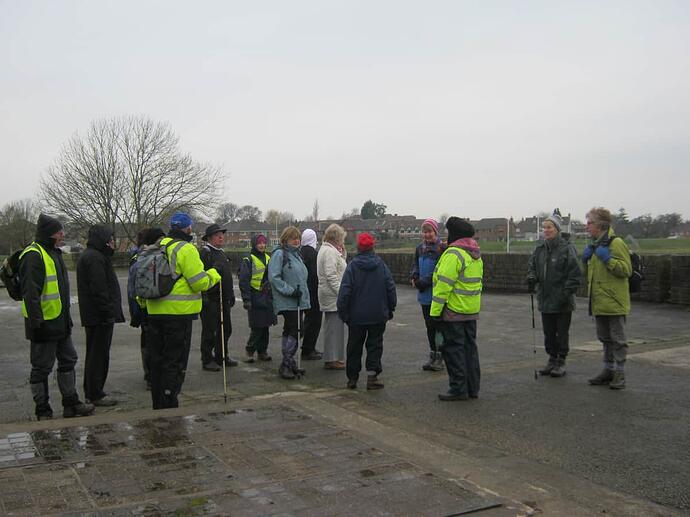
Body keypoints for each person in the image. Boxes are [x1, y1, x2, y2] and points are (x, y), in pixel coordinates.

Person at [19, 213, 94, 420]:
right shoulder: (34, 255)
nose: (63, 234)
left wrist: (66, 319)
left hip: (60, 322)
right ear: (51, 233)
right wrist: (36, 323)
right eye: (60, 231)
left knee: (68, 360)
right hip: (43, 324)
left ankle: (70, 404)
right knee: (42, 368)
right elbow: (30, 293)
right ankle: (42, 409)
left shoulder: (54, 253)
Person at [146, 212, 220, 409]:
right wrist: (213, 274)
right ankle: (169, 403)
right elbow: (199, 283)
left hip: (153, 311)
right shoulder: (185, 249)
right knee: (175, 362)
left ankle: (158, 401)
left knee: (157, 360)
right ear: (188, 228)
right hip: (178, 314)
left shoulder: (158, 246)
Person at [431, 217, 483, 401]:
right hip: (471, 310)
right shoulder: (474, 253)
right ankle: (472, 388)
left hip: (453, 311)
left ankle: (458, 388)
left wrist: (435, 312)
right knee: (470, 349)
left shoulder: (453, 254)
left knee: (454, 350)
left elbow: (442, 286)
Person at [527, 210, 582, 377]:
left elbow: (574, 273)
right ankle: (551, 359)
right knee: (548, 332)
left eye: (549, 227)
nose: (546, 230)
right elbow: (532, 267)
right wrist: (531, 277)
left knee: (561, 333)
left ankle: (561, 361)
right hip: (545, 298)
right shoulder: (539, 249)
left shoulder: (566, 249)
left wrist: (566, 293)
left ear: (557, 229)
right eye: (544, 228)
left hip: (562, 300)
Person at [337, 233, 397, 390]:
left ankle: (352, 378)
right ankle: (372, 376)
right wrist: (390, 308)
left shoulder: (352, 267)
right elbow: (390, 288)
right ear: (372, 247)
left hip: (356, 316)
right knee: (375, 345)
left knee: (354, 346)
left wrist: (344, 313)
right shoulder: (381, 265)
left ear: (358, 247)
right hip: (378, 314)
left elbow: (344, 292)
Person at [582, 207, 632, 390]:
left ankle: (620, 373)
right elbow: (591, 274)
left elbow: (626, 270)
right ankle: (608, 369)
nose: (587, 227)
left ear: (600, 225)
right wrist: (585, 261)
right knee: (604, 338)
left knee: (618, 339)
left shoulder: (616, 243)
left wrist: (608, 260)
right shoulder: (595, 245)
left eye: (589, 223)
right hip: (599, 300)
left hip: (614, 300)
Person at [76, 224, 125, 406]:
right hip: (98, 316)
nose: (113, 243)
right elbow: (99, 289)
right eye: (110, 240)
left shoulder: (94, 256)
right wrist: (107, 311)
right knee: (98, 355)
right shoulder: (95, 258)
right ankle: (95, 393)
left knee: (96, 354)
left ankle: (94, 390)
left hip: (96, 315)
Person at [267, 226, 310, 379]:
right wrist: (290, 290)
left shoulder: (296, 255)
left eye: (298, 237)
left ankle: (289, 363)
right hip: (288, 300)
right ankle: (287, 363)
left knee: (292, 330)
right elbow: (274, 278)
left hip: (297, 300)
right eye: (293, 238)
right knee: (296, 330)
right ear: (285, 239)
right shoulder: (279, 254)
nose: (296, 240)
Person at [126, 227, 166, 389]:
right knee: (152, 343)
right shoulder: (147, 259)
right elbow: (133, 289)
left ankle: (151, 374)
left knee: (149, 341)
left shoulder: (139, 257)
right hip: (149, 308)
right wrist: (136, 313)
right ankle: (152, 376)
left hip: (145, 308)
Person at [199, 223, 237, 371]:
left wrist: (231, 294)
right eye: (217, 235)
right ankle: (207, 359)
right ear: (209, 238)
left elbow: (227, 276)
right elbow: (201, 276)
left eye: (222, 234)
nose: (221, 237)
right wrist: (205, 296)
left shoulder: (221, 253)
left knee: (226, 328)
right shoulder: (205, 253)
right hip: (211, 299)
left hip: (224, 298)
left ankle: (222, 356)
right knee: (210, 330)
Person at [410, 218, 445, 371]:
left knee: (438, 327)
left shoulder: (442, 248)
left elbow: (440, 271)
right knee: (429, 327)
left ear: (435, 232)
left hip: (436, 295)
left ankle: (440, 356)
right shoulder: (419, 248)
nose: (427, 234)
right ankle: (432, 354)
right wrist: (414, 277)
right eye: (424, 232)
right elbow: (415, 265)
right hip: (424, 296)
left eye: (429, 231)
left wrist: (423, 282)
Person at [238, 234, 275, 362]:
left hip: (267, 297)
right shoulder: (248, 259)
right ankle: (250, 350)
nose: (262, 245)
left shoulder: (268, 258)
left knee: (266, 327)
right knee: (257, 327)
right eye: (259, 243)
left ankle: (262, 351)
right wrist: (246, 299)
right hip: (255, 296)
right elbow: (243, 280)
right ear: (254, 244)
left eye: (264, 243)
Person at [317, 224, 348, 370]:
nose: (343, 242)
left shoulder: (329, 250)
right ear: (337, 238)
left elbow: (339, 267)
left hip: (330, 294)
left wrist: (342, 252)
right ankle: (331, 358)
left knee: (334, 327)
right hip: (332, 295)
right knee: (333, 328)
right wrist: (341, 292)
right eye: (342, 239)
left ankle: (334, 357)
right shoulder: (329, 252)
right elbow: (331, 275)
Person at [299, 229, 323, 360]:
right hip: (313, 292)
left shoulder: (300, 252)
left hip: (303, 291)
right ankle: (309, 349)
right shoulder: (314, 254)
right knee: (314, 321)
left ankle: (307, 348)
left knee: (306, 321)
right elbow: (316, 275)